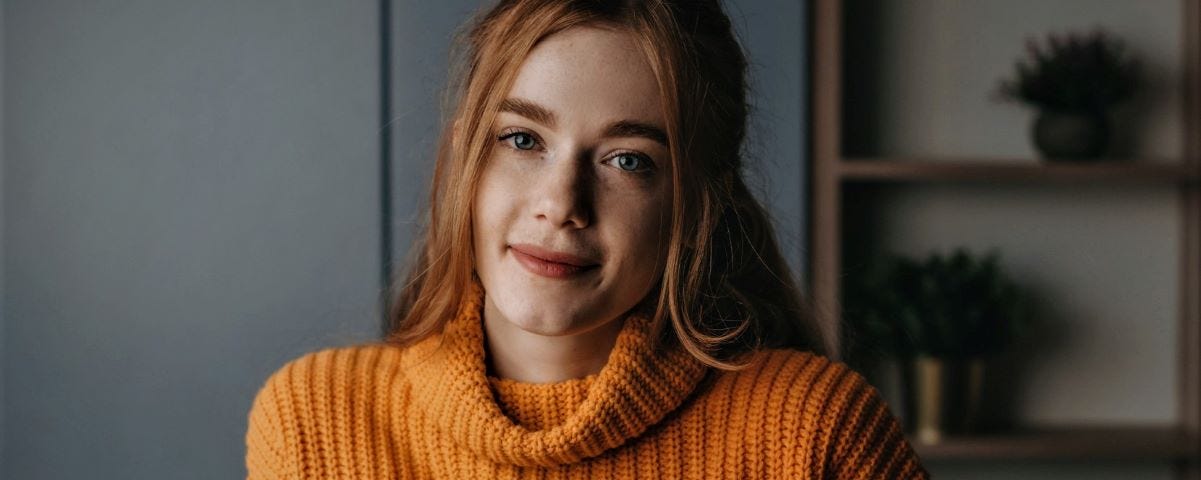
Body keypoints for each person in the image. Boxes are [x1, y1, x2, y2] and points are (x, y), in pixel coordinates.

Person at [245, 0, 929, 478]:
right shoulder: (314, 418)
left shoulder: (815, 428)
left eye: (627, 159)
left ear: (698, 205)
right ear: (461, 163)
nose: (560, 204)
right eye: (522, 140)